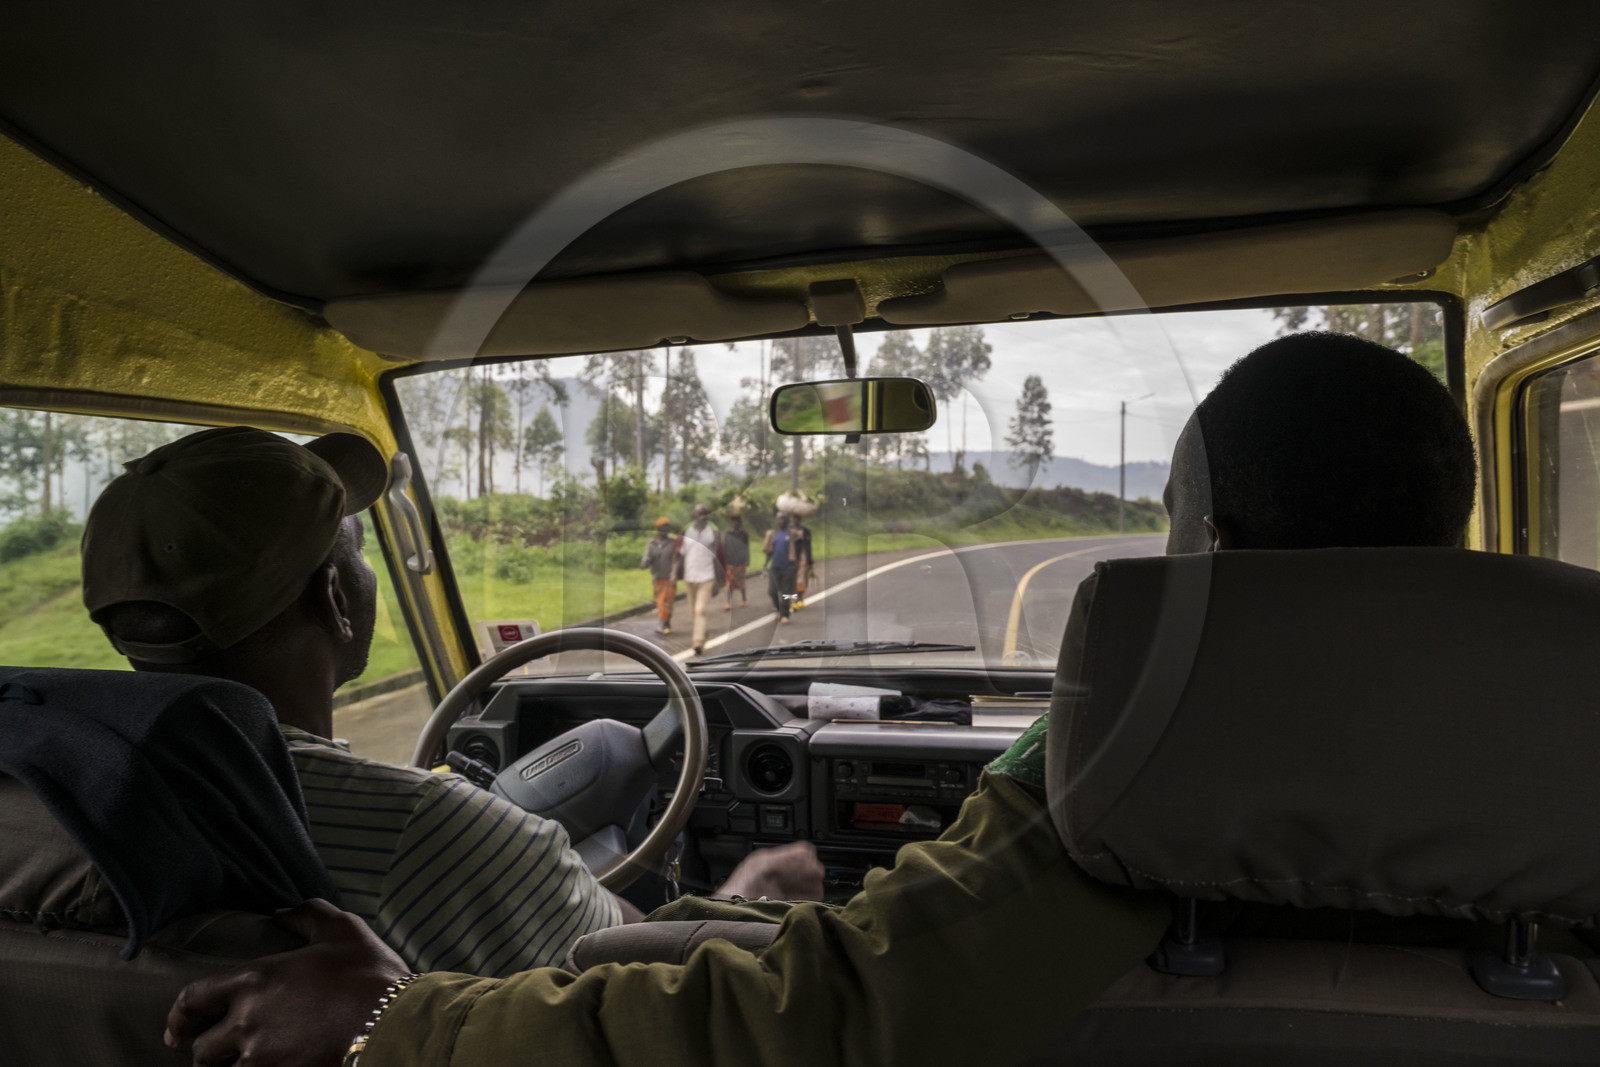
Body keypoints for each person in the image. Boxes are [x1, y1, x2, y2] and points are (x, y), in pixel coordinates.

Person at [163, 332, 1478, 1067]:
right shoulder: (1547, 745)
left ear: (1213, 549)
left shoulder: (1128, 751)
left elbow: (844, 1014)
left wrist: (403, 1022)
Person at [80, 428, 825, 982]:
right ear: (337, 599)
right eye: (359, 548)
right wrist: (747, 892)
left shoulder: (57, 803)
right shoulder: (429, 830)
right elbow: (634, 991)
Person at [676, 504, 724, 655]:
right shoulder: (687, 531)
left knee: (699, 609)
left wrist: (718, 580)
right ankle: (702, 632)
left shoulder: (713, 533)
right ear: (695, 516)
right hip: (690, 577)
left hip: (707, 577)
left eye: (705, 514)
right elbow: (681, 554)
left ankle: (697, 643)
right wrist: (674, 573)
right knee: (694, 612)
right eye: (699, 514)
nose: (702, 517)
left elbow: (719, 557)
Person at [639, 517, 678, 636]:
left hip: (670, 577)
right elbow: (648, 557)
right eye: (662, 529)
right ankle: (664, 622)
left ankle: (663, 622)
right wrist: (644, 563)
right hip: (657, 578)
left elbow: (677, 559)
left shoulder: (673, 542)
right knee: (661, 601)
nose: (665, 531)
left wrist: (675, 573)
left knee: (668, 601)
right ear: (657, 529)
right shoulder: (652, 543)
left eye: (667, 528)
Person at [762, 512, 798, 625]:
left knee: (785, 592)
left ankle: (785, 615)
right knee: (772, 591)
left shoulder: (791, 534)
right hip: (775, 567)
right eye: (779, 519)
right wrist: (765, 565)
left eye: (783, 519)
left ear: (787, 520)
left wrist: (796, 565)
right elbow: (769, 552)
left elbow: (798, 548)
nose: (781, 521)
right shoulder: (773, 534)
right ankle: (778, 610)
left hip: (788, 567)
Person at [722, 515, 750, 611]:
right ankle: (728, 602)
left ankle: (744, 599)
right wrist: (724, 561)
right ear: (731, 523)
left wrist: (747, 560)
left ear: (740, 523)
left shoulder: (744, 535)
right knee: (729, 583)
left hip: (741, 561)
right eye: (733, 522)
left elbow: (746, 548)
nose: (735, 524)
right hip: (730, 561)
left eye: (737, 521)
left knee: (741, 581)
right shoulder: (728, 534)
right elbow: (725, 547)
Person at [790, 516, 815, 609]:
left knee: (801, 578)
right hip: (792, 558)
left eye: (797, 518)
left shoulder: (806, 531)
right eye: (793, 518)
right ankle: (794, 599)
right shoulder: (788, 531)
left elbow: (809, 546)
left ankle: (799, 598)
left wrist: (811, 563)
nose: (795, 520)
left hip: (803, 557)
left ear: (800, 520)